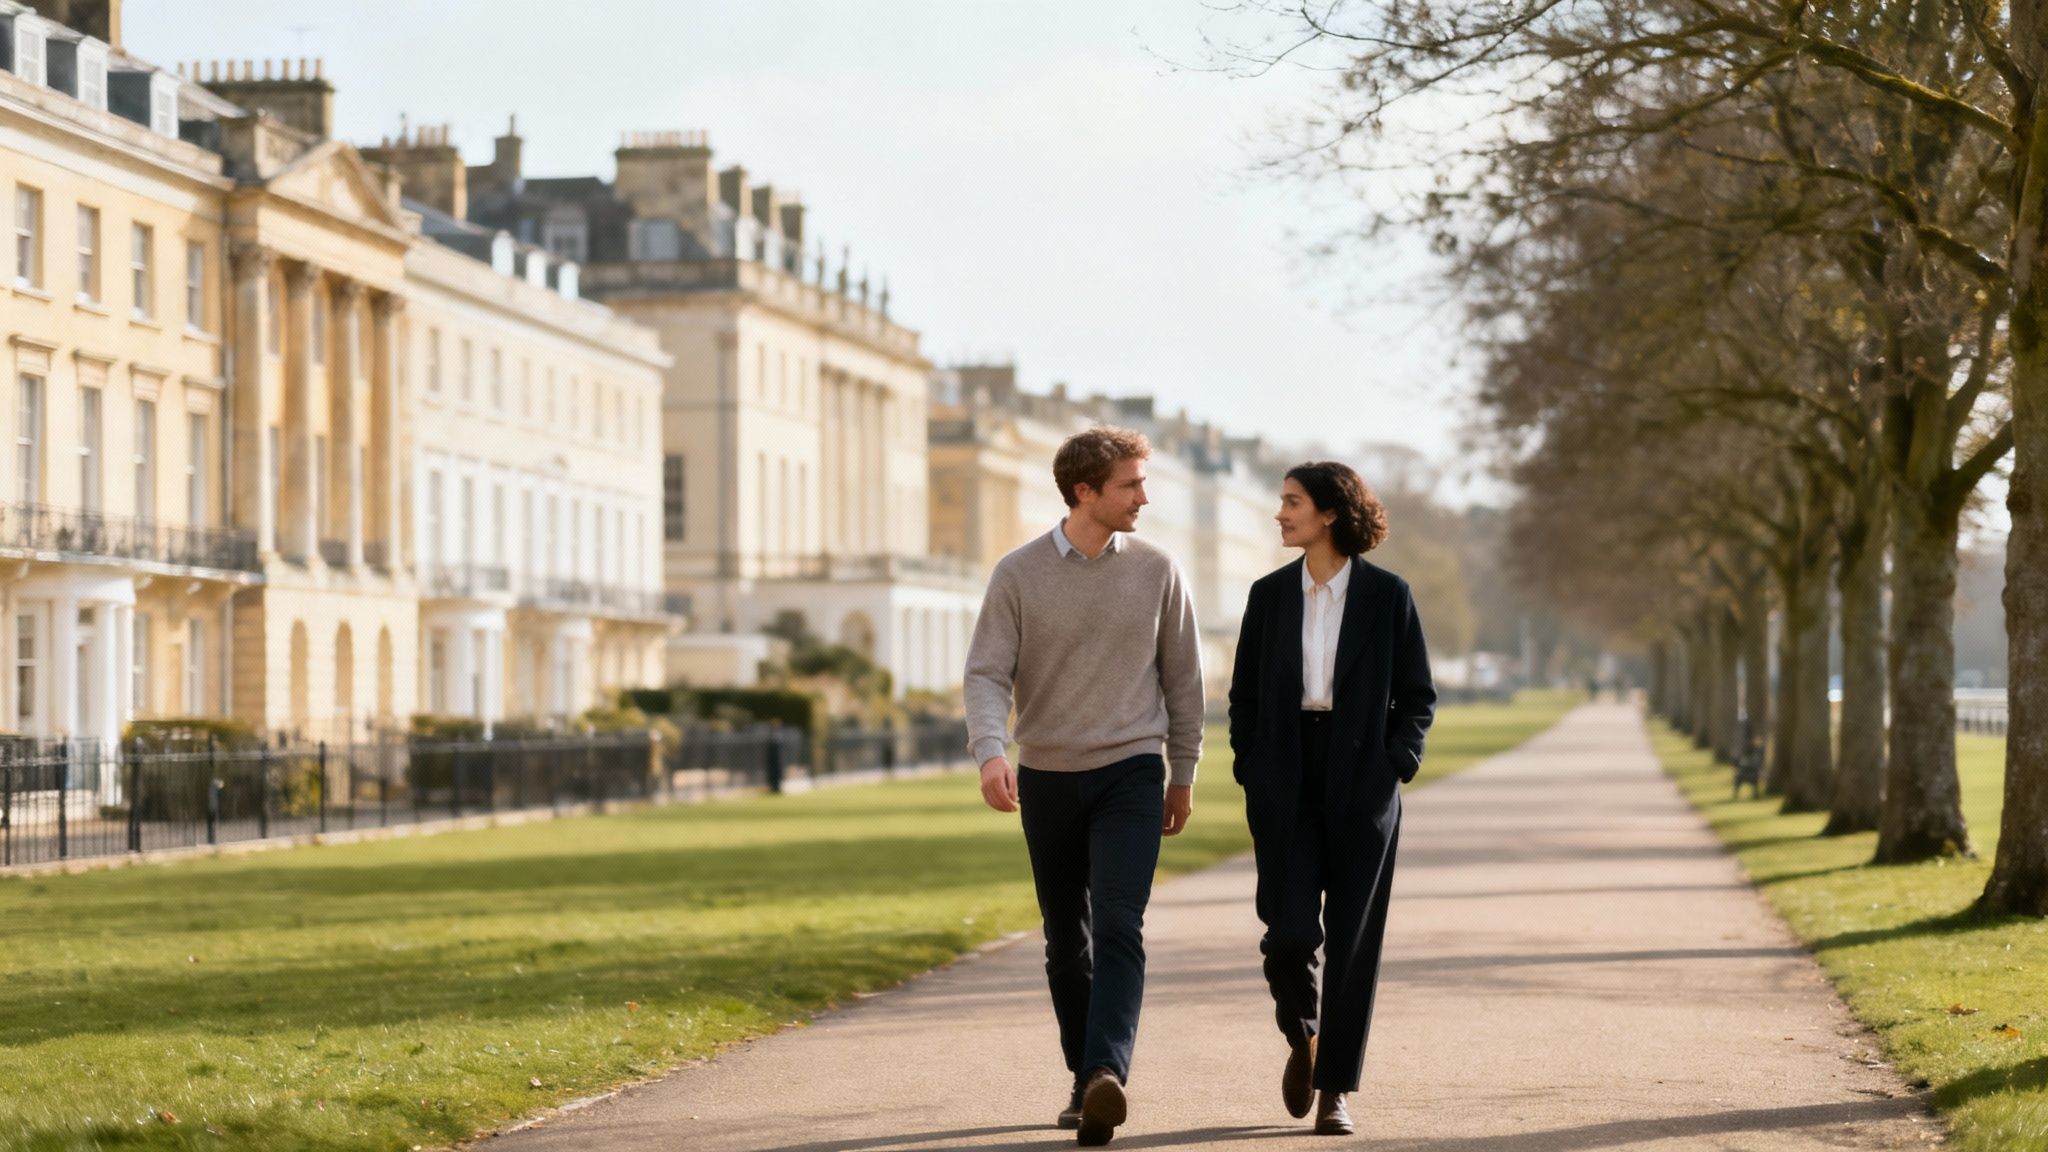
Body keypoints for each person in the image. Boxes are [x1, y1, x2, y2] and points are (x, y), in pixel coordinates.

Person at [964, 425, 1204, 1147]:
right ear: (1084, 492)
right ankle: (1084, 1080)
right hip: (1047, 774)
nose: (1143, 497)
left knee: (1119, 925)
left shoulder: (1159, 570)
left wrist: (1183, 773)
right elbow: (985, 674)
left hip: (1132, 769)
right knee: (1065, 939)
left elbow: (1184, 683)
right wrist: (989, 752)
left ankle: (1106, 1071)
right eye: (1130, 484)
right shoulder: (1017, 573)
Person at [1227, 461, 1435, 1136]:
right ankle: (1304, 1033)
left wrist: (1395, 763)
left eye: (1292, 502)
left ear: (1329, 514)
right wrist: (1251, 765)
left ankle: (1335, 1090)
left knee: (1352, 943)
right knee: (1287, 936)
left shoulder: (1388, 596)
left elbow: (1417, 698)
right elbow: (1245, 699)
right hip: (1285, 778)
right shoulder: (1268, 597)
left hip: (1362, 780)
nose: (1280, 514)